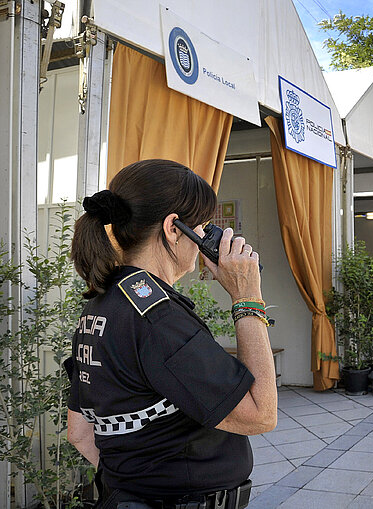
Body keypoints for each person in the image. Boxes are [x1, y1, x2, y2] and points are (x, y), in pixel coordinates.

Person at [65, 159, 277, 509]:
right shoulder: (159, 319)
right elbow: (260, 413)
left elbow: (80, 433)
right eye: (204, 227)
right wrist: (247, 297)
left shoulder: (101, 305)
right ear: (174, 229)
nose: (205, 240)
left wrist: (135, 486)